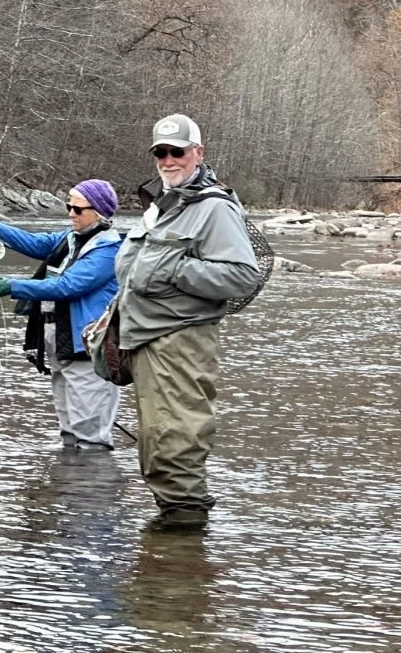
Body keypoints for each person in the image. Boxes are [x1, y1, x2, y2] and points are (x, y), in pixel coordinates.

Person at [115, 114, 262, 531]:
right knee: (156, 443)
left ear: (198, 153)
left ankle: (184, 544)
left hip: (180, 340)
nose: (168, 160)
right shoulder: (162, 206)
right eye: (160, 153)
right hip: (146, 338)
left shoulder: (214, 208)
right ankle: (172, 544)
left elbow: (242, 276)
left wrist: (175, 270)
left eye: (177, 151)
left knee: (175, 441)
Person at [0, 180, 123, 452]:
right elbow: (34, 242)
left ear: (98, 212)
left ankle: (94, 489)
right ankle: (70, 487)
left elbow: (69, 286)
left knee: (91, 437)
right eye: (68, 206)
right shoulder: (70, 238)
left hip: (87, 350)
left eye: (77, 208)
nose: (70, 213)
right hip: (60, 343)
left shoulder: (110, 250)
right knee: (69, 432)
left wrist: (13, 286)